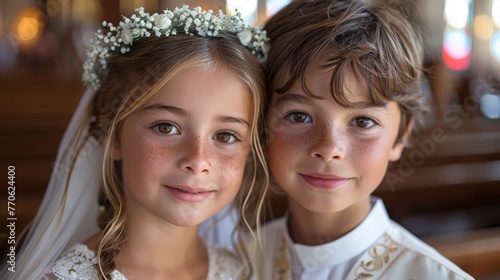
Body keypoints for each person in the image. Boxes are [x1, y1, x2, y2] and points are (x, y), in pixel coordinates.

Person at [1, 5, 269, 279]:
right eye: (166, 127)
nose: (198, 160)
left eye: (225, 136)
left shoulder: (247, 272)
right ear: (113, 136)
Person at [246, 0, 475, 279]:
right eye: (298, 116)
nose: (329, 149)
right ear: (261, 126)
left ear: (400, 136)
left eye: (363, 122)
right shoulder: (236, 260)